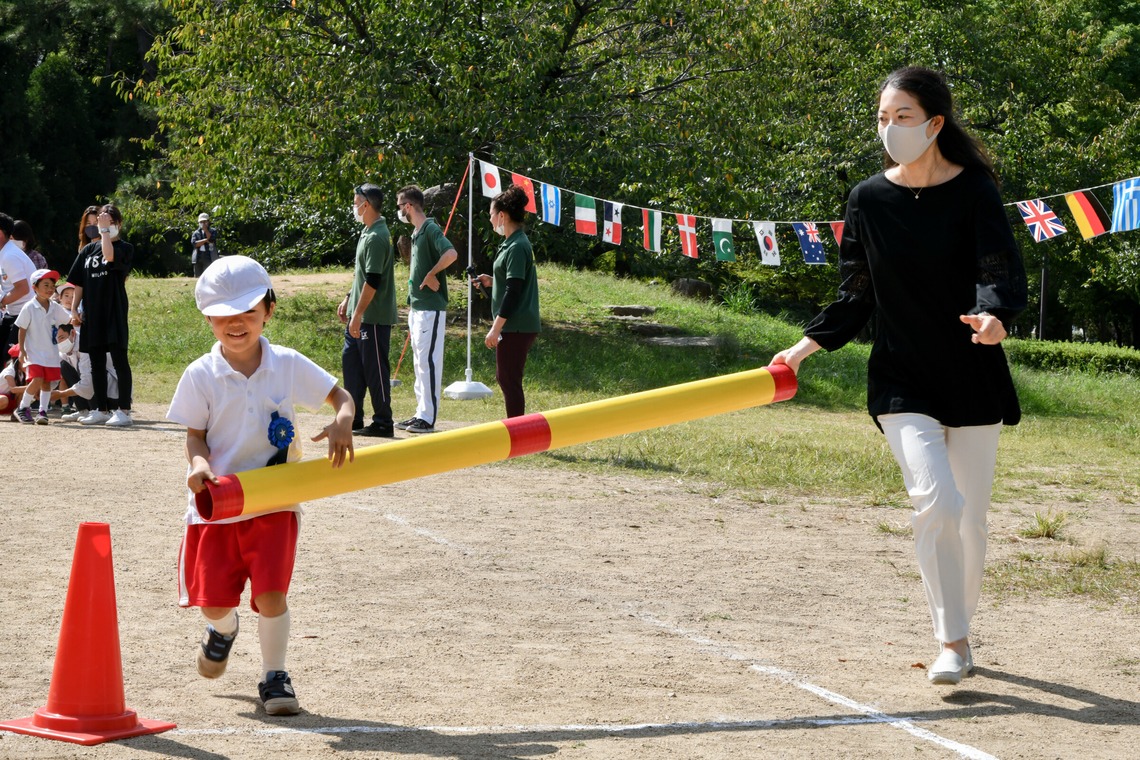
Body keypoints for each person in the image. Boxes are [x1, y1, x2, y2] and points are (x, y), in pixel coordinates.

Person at [770, 67, 1027, 687]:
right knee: (936, 501)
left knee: (970, 521)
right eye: (882, 118)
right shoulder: (867, 199)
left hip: (972, 373)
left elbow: (998, 269)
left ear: (935, 124)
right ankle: (953, 641)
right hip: (900, 379)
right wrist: (802, 350)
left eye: (902, 116)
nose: (889, 129)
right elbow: (855, 292)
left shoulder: (975, 191)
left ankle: (961, 628)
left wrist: (994, 318)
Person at [166, 255, 355, 716]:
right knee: (214, 604)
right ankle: (222, 630)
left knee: (272, 595)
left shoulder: (286, 364)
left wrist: (343, 420)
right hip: (217, 506)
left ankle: (275, 676)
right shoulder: (200, 374)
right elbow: (194, 435)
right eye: (224, 315)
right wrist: (198, 465)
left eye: (248, 312)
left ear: (269, 311)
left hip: (275, 502)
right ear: (208, 319)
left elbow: (340, 396)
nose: (237, 324)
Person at [470, 184, 541, 418]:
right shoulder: (512, 243)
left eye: (491, 214)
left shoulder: (517, 246)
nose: (490, 220)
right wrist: (493, 281)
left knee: (509, 380)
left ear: (502, 215)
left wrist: (495, 328)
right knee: (507, 378)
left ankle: (517, 432)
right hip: (515, 324)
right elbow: (513, 281)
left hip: (516, 325)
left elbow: (514, 291)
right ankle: (517, 429)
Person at [395, 185, 457, 434]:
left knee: (428, 363)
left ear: (408, 206)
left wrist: (432, 273)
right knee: (420, 362)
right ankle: (420, 413)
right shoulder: (416, 233)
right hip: (418, 308)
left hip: (430, 309)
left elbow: (451, 253)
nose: (399, 211)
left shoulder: (430, 228)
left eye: (400, 206)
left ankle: (428, 418)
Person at [66, 203, 134, 427]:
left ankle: (124, 410)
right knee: (96, 362)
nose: (103, 226)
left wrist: (104, 231)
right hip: (92, 313)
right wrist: (74, 308)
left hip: (113, 311)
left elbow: (109, 255)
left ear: (118, 224)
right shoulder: (87, 251)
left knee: (119, 360)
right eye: (100, 222)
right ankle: (101, 409)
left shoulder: (125, 248)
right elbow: (78, 282)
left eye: (110, 222)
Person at [338, 183, 396, 437]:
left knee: (375, 370)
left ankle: (383, 422)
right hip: (359, 313)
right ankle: (353, 418)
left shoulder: (377, 237)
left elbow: (373, 280)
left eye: (355, 203)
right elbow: (361, 275)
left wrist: (359, 314)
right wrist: (349, 299)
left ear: (367, 205)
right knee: (351, 366)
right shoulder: (367, 231)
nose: (354, 207)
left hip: (372, 317)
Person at [13, 269, 72, 424]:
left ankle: (42, 412)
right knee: (37, 379)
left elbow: (69, 319)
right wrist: (22, 350)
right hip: (34, 353)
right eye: (46, 285)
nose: (50, 289)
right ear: (34, 287)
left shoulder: (55, 307)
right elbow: (22, 329)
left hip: (51, 353)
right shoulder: (29, 307)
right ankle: (22, 407)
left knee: (47, 382)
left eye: (52, 286)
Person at [0, 213, 37, 360]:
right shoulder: (5, 253)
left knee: (10, 358)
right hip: (13, 313)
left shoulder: (9, 256)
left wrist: (2, 301)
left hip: (25, 315)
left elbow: (23, 288)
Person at [191, 212, 219, 277]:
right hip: (198, 257)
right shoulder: (195, 233)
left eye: (205, 222)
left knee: (209, 276)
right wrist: (206, 240)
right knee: (197, 276)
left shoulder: (213, 231)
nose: (203, 224)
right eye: (201, 222)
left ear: (208, 222)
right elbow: (195, 244)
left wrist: (206, 230)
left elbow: (211, 240)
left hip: (210, 256)